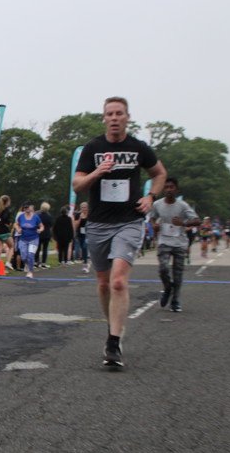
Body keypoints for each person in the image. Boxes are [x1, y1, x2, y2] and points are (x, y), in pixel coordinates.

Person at [72, 96, 166, 369]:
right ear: (104, 118)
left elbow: (159, 173)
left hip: (129, 221)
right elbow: (77, 185)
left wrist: (151, 197)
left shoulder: (138, 147)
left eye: (119, 113)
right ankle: (113, 325)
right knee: (103, 284)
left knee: (118, 282)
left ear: (127, 117)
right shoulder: (93, 148)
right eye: (110, 114)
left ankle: (114, 342)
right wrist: (96, 173)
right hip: (99, 223)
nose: (114, 118)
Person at [149, 177, 199, 313]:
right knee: (163, 269)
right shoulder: (157, 204)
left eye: (171, 187)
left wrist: (183, 223)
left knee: (177, 273)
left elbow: (197, 220)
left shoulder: (183, 206)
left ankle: (175, 301)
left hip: (179, 242)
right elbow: (152, 218)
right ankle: (167, 288)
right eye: (166, 187)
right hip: (164, 241)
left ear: (176, 189)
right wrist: (154, 225)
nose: (169, 190)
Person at [15, 201, 43, 279]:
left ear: (31, 207)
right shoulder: (21, 217)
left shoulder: (36, 217)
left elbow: (41, 226)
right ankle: (27, 264)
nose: (26, 209)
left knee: (31, 255)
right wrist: (18, 229)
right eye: (25, 208)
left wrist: (40, 230)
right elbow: (16, 224)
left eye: (27, 207)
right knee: (23, 256)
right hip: (23, 239)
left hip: (33, 238)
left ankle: (30, 272)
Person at [0, 195, 14, 270]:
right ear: (7, 202)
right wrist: (9, 223)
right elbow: (6, 220)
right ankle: (8, 262)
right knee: (11, 246)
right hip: (4, 232)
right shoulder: (6, 210)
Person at [73, 202, 90, 273]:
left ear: (88, 208)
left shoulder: (90, 214)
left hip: (88, 234)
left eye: (85, 207)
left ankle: (85, 264)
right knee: (83, 248)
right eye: (82, 207)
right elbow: (76, 225)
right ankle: (86, 262)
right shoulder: (78, 215)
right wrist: (80, 218)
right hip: (80, 234)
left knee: (84, 247)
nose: (84, 209)